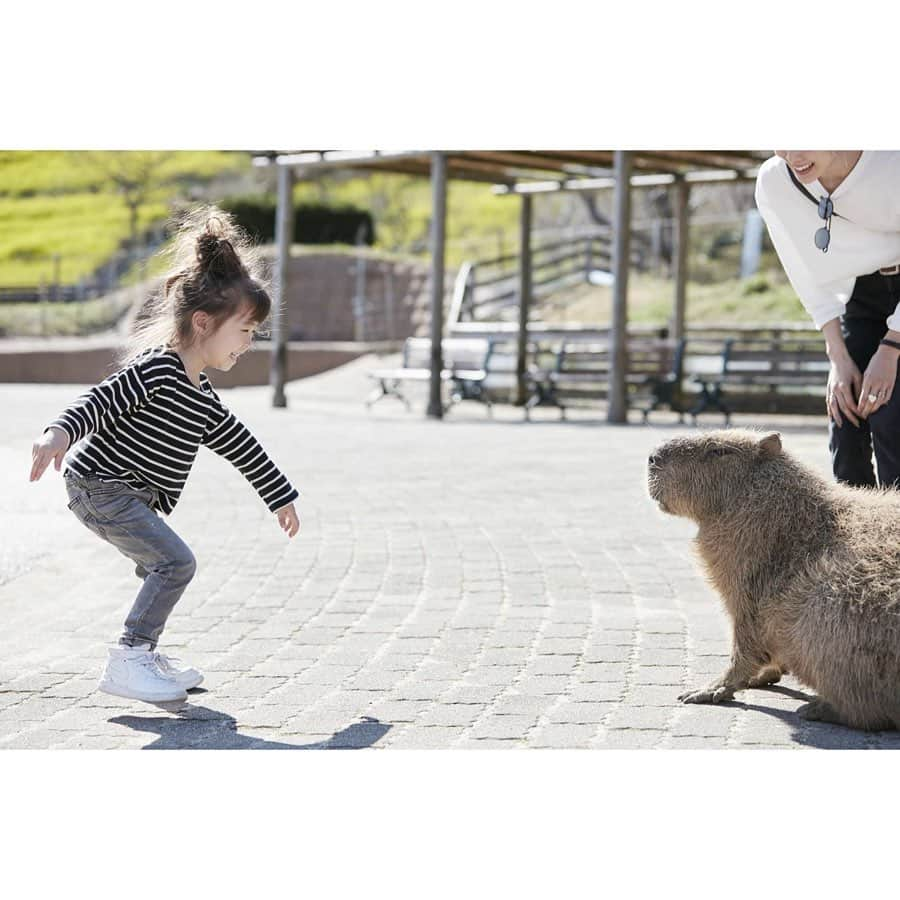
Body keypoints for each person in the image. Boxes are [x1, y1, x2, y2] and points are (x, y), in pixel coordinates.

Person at [29, 208, 301, 705]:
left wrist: (278, 496)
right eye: (243, 331)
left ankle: (144, 653)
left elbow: (242, 446)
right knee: (175, 564)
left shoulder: (202, 396)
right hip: (100, 486)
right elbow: (99, 399)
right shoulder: (157, 370)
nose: (248, 343)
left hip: (121, 494)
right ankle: (131, 656)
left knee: (163, 566)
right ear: (203, 322)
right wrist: (58, 434)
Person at [755, 151, 900, 489]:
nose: (794, 155)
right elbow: (805, 273)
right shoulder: (775, 181)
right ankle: (852, 538)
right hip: (861, 297)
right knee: (844, 419)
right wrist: (837, 357)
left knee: (890, 418)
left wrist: (891, 348)